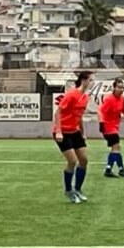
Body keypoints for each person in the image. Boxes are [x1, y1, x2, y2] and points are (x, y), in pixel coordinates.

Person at [53, 71, 93, 203]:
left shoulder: (86, 97)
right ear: (83, 80)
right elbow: (58, 113)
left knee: (84, 160)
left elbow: (79, 116)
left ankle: (78, 189)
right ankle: (69, 191)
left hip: (74, 131)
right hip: (63, 131)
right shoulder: (71, 94)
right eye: (90, 80)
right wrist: (58, 131)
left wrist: (82, 132)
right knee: (72, 161)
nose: (92, 83)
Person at [99, 78, 124, 178]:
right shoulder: (109, 99)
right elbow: (100, 111)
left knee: (115, 149)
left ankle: (110, 169)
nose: (121, 89)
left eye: (122, 87)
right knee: (116, 147)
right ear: (114, 88)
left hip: (115, 126)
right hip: (107, 126)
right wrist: (101, 123)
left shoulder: (122, 99)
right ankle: (119, 170)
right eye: (119, 87)